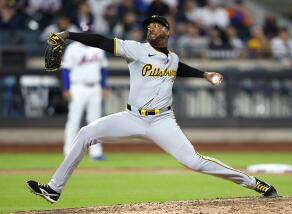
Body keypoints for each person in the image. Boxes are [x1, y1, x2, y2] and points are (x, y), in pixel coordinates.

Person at [26, 15, 277, 203]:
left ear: (167, 30)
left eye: (156, 25)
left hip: (162, 121)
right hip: (132, 117)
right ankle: (54, 189)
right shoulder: (136, 50)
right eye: (149, 26)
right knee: (85, 133)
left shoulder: (173, 58)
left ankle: (254, 184)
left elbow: (178, 68)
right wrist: (69, 34)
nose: (151, 28)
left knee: (195, 162)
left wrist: (204, 75)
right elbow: (101, 41)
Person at [61, 23, 109, 160]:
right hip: (78, 88)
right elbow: (65, 70)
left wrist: (104, 86)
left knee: (95, 122)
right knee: (73, 121)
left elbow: (103, 69)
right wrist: (66, 88)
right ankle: (68, 151)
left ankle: (96, 152)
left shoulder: (98, 49)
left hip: (95, 87)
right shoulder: (72, 49)